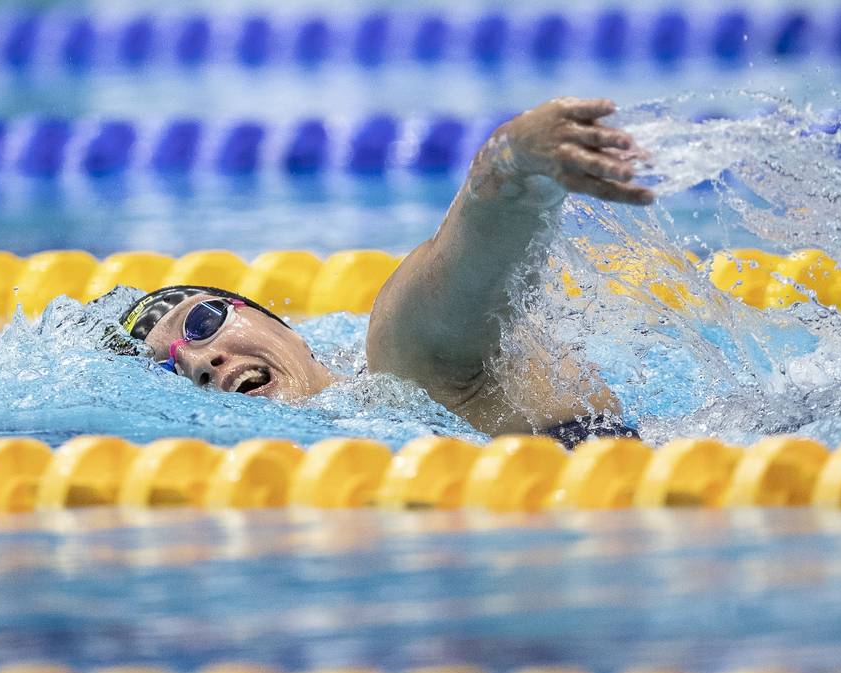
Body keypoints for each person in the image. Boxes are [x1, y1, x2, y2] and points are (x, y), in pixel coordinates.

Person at [119, 97, 655, 446]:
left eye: (203, 322)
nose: (199, 362)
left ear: (282, 325)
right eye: (168, 371)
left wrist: (511, 164)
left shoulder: (403, 365)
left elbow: (458, 270)